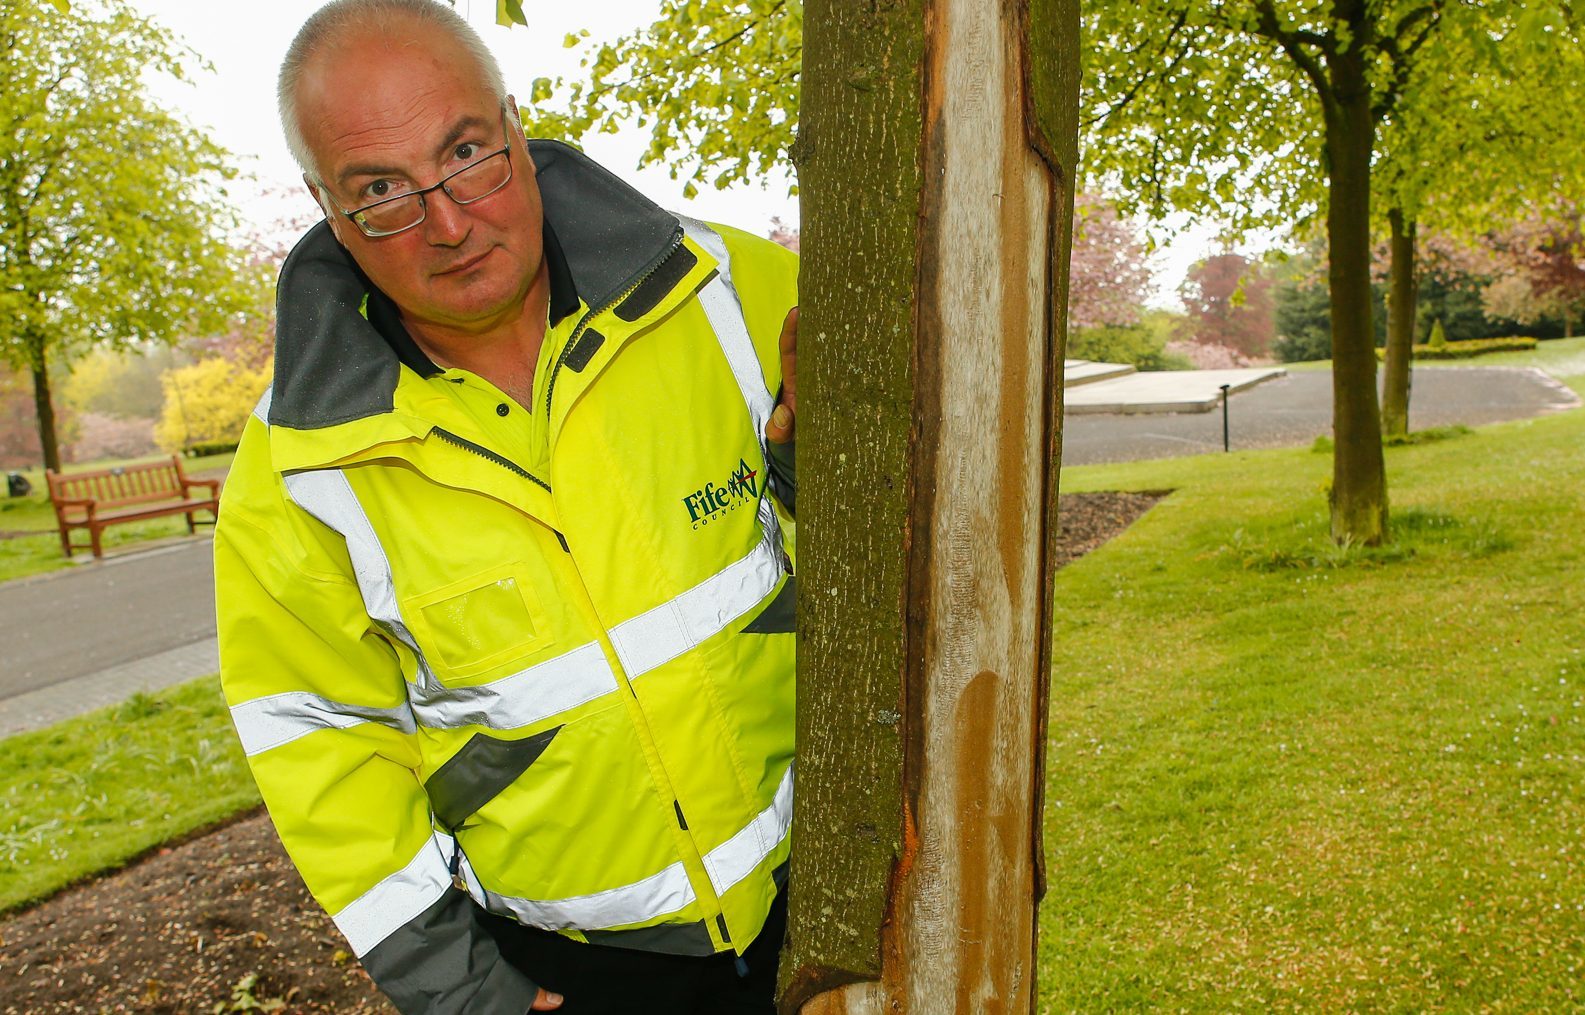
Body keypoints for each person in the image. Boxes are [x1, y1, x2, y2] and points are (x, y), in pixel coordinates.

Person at [214, 1, 799, 1011]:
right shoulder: (293, 478)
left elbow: (915, 494)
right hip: (576, 973)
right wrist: (461, 992)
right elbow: (320, 747)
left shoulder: (723, 286)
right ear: (324, 202)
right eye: (381, 190)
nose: (447, 222)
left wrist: (812, 471)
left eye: (467, 152)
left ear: (514, 125)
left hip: (836, 891)